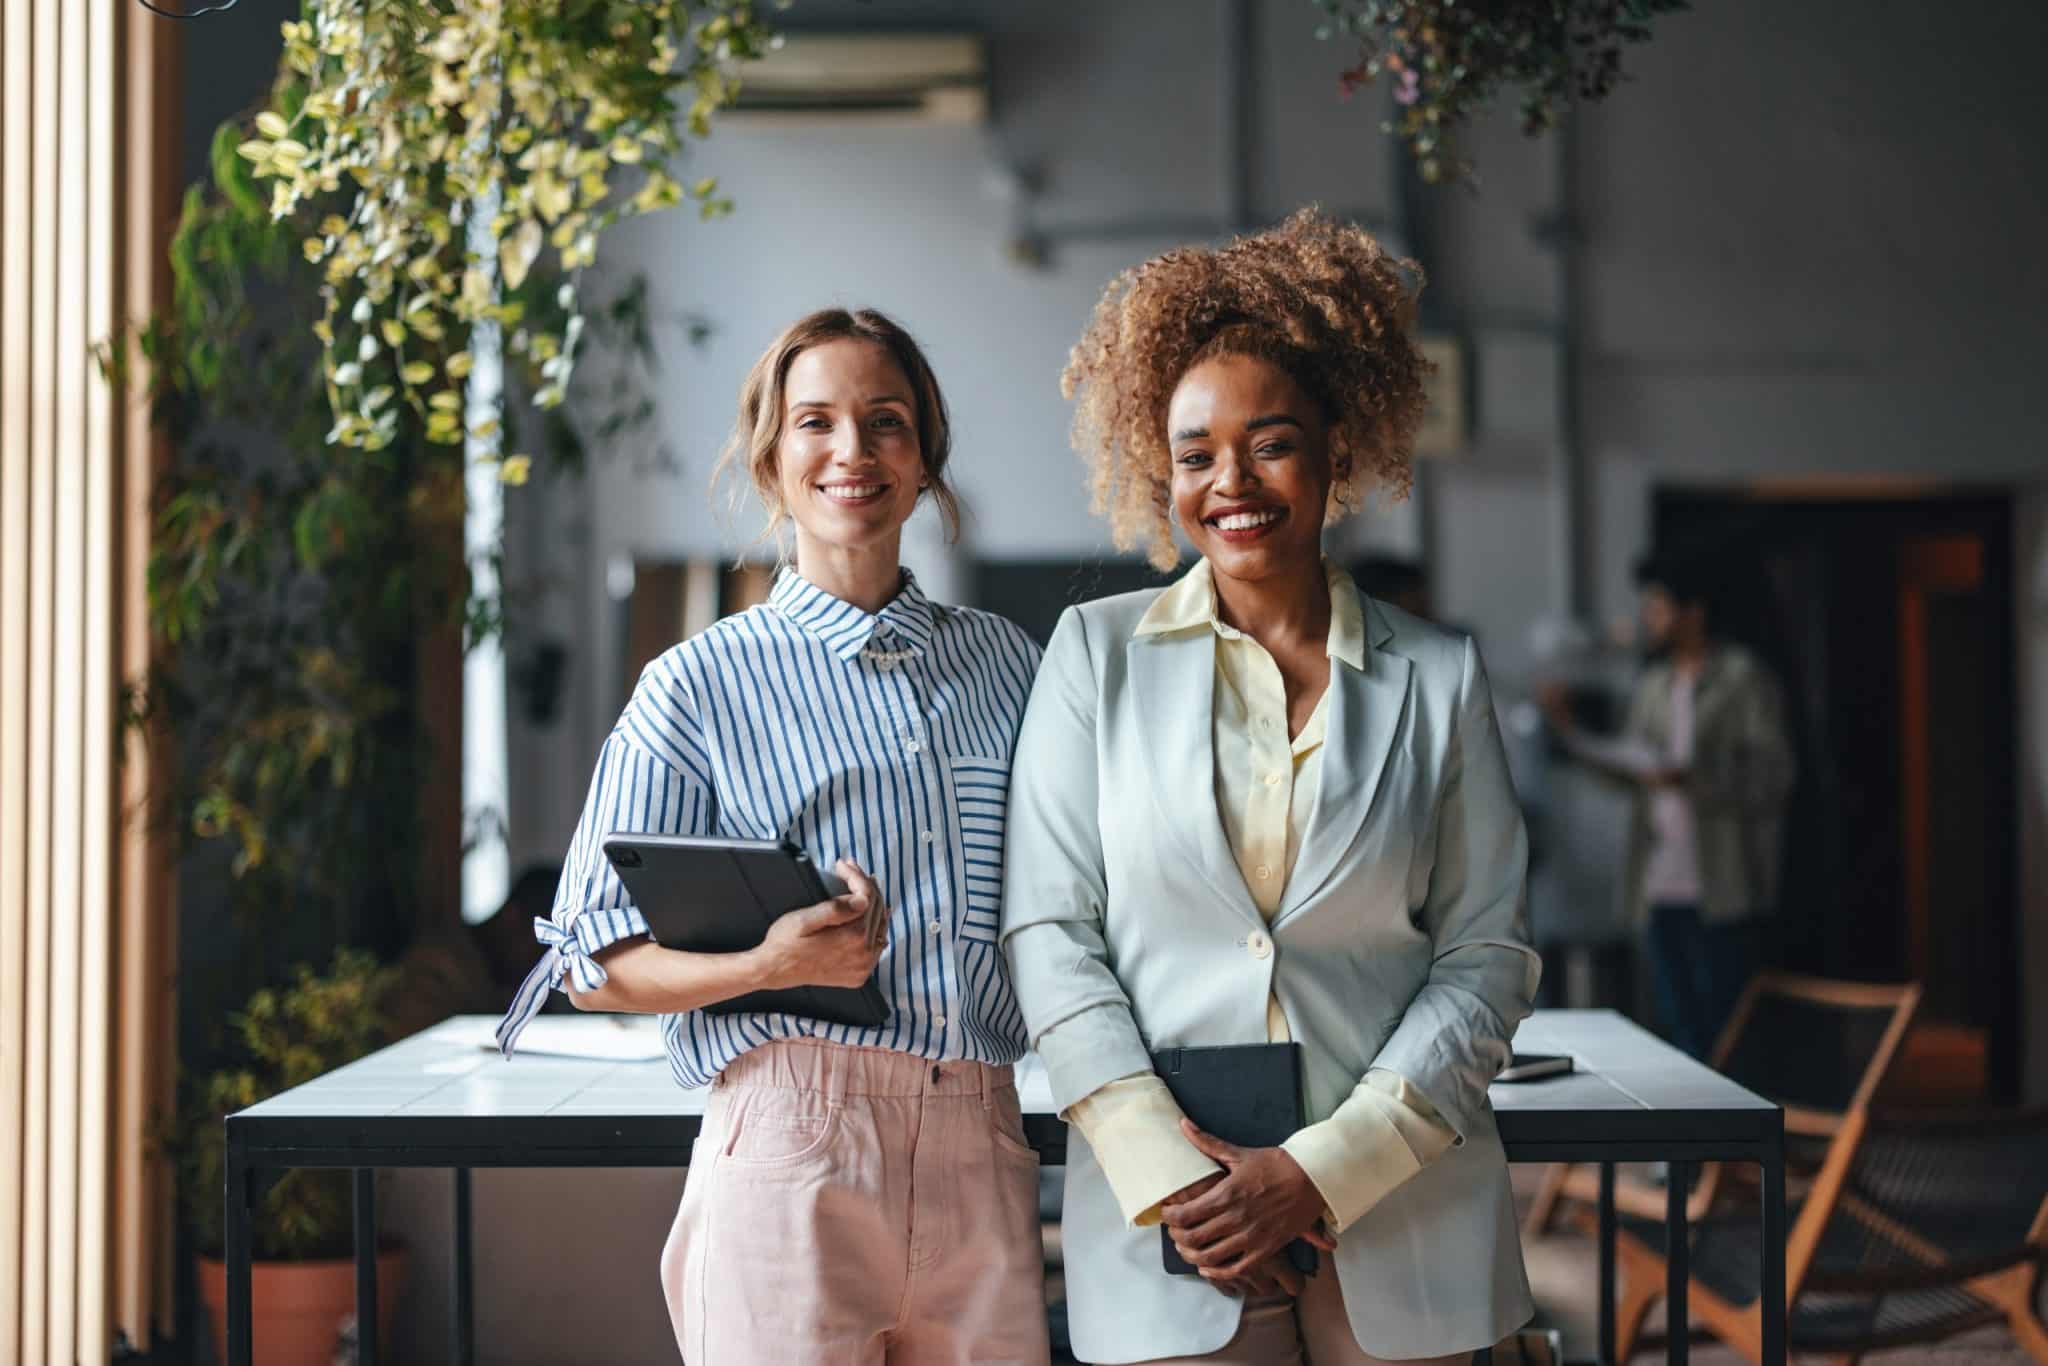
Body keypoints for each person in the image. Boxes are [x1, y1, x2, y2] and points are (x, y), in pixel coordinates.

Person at [1001, 211, 1540, 1366]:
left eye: (1271, 442)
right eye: (1194, 453)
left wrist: (1317, 1171)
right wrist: (1175, 1173)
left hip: (1408, 1214)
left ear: (1336, 448)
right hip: (1173, 1227)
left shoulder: (1439, 678)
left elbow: (1485, 953)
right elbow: (1049, 933)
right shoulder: (1089, 657)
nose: (1229, 481)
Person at [495, 308, 1050, 1366]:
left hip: (981, 1133)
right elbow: (585, 962)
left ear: (924, 456)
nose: (852, 451)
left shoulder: (1005, 666)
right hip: (793, 1139)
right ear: (770, 457)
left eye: (884, 421)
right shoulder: (696, 683)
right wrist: (767, 963)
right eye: (815, 422)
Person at [1540, 550, 1795, 1059]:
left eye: (1657, 606)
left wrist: (1695, 779)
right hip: (1657, 884)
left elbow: (1774, 777)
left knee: (1729, 1029)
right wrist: (1575, 739)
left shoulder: (1742, 677)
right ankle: (1698, 1137)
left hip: (1723, 885)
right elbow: (1638, 771)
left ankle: (1737, 1136)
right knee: (1677, 1028)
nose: (1648, 617)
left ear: (1692, 612)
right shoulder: (1655, 684)